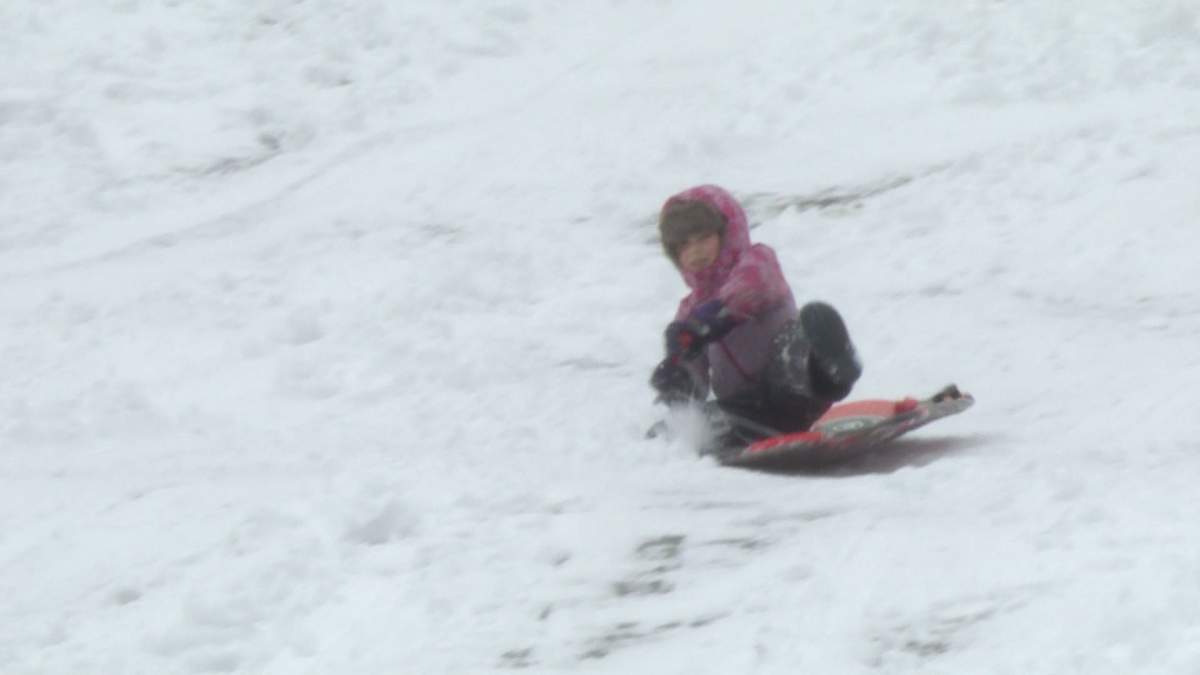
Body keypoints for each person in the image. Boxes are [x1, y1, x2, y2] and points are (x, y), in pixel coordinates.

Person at [649, 184, 863, 450]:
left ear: (725, 234)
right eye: (684, 244)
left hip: (793, 387)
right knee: (677, 429)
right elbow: (696, 378)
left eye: (703, 238)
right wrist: (678, 377)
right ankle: (732, 435)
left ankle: (832, 370)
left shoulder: (756, 260)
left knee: (804, 330)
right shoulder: (687, 313)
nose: (695, 251)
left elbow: (750, 288)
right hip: (751, 409)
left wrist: (709, 322)